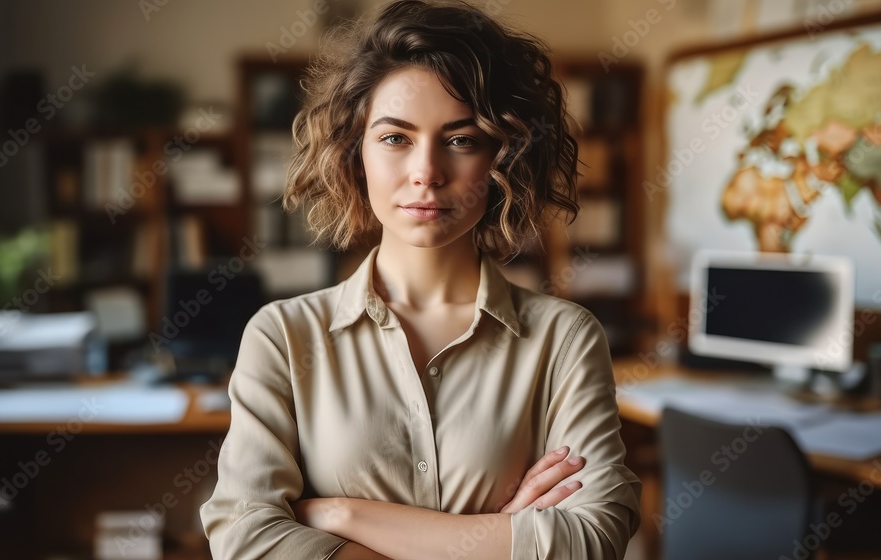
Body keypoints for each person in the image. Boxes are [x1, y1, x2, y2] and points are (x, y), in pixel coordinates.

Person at [199, 1, 642, 558]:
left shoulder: (565, 340)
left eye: (462, 139)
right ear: (354, 155)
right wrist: (495, 541)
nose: (427, 173)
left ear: (504, 159)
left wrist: (342, 514)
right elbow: (246, 542)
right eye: (395, 137)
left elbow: (593, 540)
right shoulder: (283, 337)